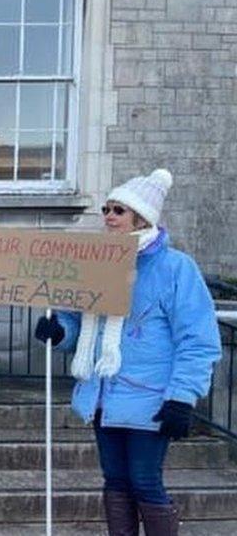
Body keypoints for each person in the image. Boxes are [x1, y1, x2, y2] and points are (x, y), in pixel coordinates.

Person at [35, 169, 220, 535]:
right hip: (104, 394)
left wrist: (182, 397)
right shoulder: (95, 263)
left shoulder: (175, 268)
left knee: (144, 480)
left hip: (151, 396)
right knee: (115, 480)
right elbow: (79, 319)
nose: (109, 216)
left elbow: (198, 339)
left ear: (142, 217)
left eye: (118, 210)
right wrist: (59, 332)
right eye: (106, 208)